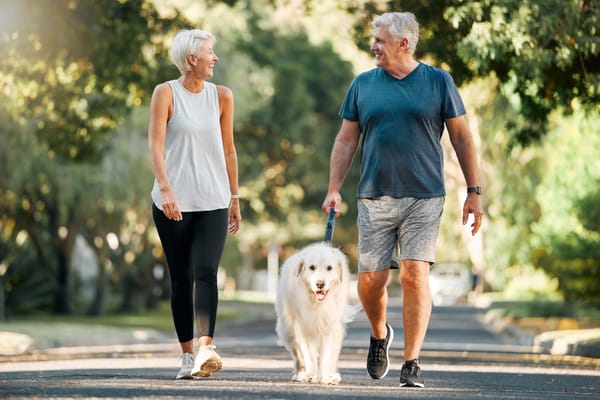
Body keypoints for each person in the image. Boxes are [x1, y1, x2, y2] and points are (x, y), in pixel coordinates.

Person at [321, 12, 483, 388]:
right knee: (370, 282)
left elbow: (461, 137)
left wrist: (474, 192)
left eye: (379, 40)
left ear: (403, 43)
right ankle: (380, 334)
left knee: (414, 273)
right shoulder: (363, 84)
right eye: (374, 39)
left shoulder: (438, 81)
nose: (373, 45)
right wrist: (333, 188)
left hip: (424, 195)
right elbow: (346, 141)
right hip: (373, 195)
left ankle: (412, 361)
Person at [148, 28, 241, 380]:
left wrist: (234, 197)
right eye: (209, 52)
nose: (215, 57)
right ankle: (187, 355)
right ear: (192, 59)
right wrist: (166, 189)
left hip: (213, 199)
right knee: (181, 278)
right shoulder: (165, 93)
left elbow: (229, 148)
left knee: (206, 272)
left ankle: (206, 349)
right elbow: (156, 145)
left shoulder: (222, 96)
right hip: (173, 201)